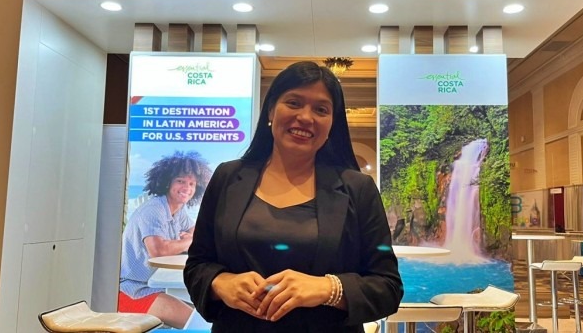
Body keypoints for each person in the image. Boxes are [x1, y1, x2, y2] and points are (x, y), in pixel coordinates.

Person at [184, 61, 403, 332]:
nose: (306, 117)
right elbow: (197, 265)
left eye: (321, 109)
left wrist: (328, 287)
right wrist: (220, 283)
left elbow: (388, 287)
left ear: (332, 123)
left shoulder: (358, 189)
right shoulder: (228, 178)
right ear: (271, 110)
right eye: (294, 103)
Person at [119, 150, 212, 328]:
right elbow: (159, 250)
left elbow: (200, 234)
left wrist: (188, 239)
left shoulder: (177, 209)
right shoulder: (154, 209)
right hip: (132, 291)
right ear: (167, 182)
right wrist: (189, 241)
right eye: (181, 181)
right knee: (198, 325)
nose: (187, 188)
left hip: (156, 286)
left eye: (192, 184)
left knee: (207, 314)